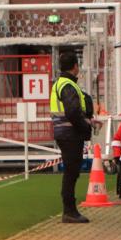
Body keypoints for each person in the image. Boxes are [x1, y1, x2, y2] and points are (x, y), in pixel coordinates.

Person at [50, 51, 93, 223]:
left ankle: (70, 210)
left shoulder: (60, 83)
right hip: (70, 134)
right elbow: (73, 112)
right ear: (75, 66)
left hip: (64, 132)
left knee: (71, 172)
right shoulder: (68, 85)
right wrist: (85, 126)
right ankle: (69, 211)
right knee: (71, 173)